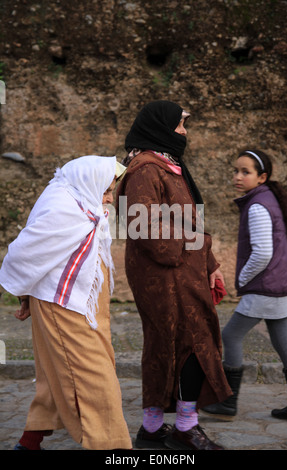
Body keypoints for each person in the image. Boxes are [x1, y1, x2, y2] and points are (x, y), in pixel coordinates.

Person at [116, 100, 232, 451]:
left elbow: (190, 223)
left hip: (185, 271)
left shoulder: (169, 167)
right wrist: (191, 253)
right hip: (165, 275)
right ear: (161, 128)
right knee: (189, 343)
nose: (185, 132)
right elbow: (144, 227)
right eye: (180, 125)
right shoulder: (144, 170)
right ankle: (185, 426)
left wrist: (209, 264)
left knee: (171, 345)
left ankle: (152, 428)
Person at [0, 155, 132, 450]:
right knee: (92, 375)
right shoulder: (64, 207)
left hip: (81, 300)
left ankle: (30, 439)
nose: (109, 199)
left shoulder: (81, 202)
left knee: (55, 369)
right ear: (91, 182)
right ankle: (111, 447)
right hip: (64, 305)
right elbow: (25, 253)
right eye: (107, 190)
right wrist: (24, 293)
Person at [202, 149, 287, 420]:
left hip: (264, 287)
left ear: (262, 177)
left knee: (231, 336)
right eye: (236, 170)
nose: (237, 176)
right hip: (278, 286)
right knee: (284, 343)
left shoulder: (257, 206)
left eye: (245, 172)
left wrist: (243, 278)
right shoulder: (268, 199)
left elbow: (263, 252)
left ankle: (227, 402)